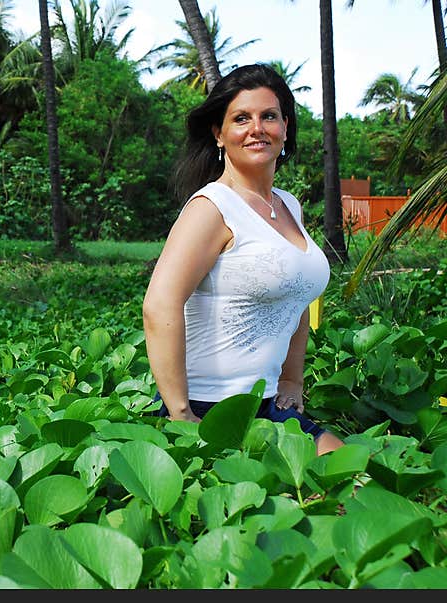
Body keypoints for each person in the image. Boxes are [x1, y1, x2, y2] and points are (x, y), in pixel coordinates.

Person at [142, 63, 344, 456]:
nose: (257, 128)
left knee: (361, 483)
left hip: (267, 405)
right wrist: (180, 414)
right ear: (219, 133)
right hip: (211, 408)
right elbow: (159, 305)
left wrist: (291, 380)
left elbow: (298, 296)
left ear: (285, 127)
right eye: (241, 118)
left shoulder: (287, 205)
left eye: (269, 116)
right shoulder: (211, 207)